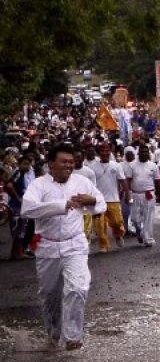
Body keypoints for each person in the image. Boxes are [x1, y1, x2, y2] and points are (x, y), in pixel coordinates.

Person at [21, 144, 106, 350]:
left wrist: (92, 200)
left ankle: (72, 337)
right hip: (47, 247)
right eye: (64, 162)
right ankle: (53, 334)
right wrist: (61, 206)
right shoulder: (39, 185)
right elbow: (27, 209)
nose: (69, 166)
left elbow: (101, 203)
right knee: (50, 295)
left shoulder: (82, 181)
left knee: (77, 287)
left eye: (71, 162)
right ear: (51, 164)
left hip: (75, 245)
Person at [92, 143, 128, 253]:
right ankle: (103, 245)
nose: (105, 153)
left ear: (110, 152)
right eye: (102, 151)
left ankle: (118, 235)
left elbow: (122, 180)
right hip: (98, 201)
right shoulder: (93, 167)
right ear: (99, 153)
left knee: (117, 222)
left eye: (107, 151)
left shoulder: (116, 165)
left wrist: (128, 194)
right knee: (100, 225)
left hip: (113, 199)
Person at [125, 145, 160, 247]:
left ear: (148, 153)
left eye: (146, 152)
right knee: (135, 218)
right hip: (135, 194)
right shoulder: (132, 165)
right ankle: (139, 231)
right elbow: (128, 180)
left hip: (149, 194)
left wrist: (158, 195)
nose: (144, 154)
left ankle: (148, 238)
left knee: (148, 217)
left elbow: (157, 181)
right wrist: (128, 194)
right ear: (138, 153)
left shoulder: (153, 166)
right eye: (142, 152)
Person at [5, 154, 34, 259]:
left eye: (28, 164)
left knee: (18, 231)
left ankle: (14, 254)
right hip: (16, 206)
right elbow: (9, 185)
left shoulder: (22, 174)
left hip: (17, 205)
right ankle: (19, 253)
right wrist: (18, 198)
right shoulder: (18, 173)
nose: (27, 166)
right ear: (19, 164)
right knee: (20, 231)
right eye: (25, 164)